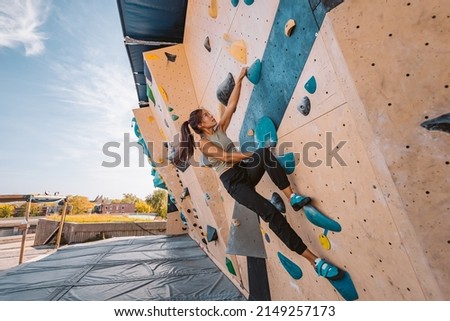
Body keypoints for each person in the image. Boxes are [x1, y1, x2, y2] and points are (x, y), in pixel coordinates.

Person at [172, 67, 339, 279]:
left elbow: (231, 105)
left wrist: (240, 79)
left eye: (208, 112)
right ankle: (314, 261)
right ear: (199, 125)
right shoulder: (204, 144)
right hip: (234, 183)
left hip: (243, 172)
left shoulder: (219, 129)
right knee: (270, 212)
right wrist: (250, 154)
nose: (210, 114)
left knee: (264, 154)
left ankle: (292, 198)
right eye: (206, 115)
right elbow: (227, 158)